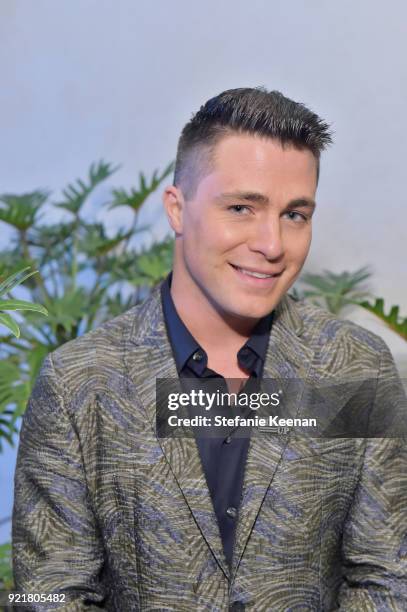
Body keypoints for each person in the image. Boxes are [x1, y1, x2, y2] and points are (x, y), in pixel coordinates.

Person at [13, 87, 407, 610]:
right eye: (242, 207)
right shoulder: (79, 381)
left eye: (295, 214)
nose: (272, 244)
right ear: (177, 209)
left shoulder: (354, 365)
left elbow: (388, 579)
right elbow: (44, 593)